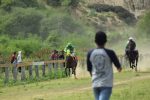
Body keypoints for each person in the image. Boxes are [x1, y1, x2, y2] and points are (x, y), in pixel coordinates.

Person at [86, 31, 122, 100]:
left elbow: (90, 70)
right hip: (106, 84)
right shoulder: (110, 53)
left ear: (95, 41)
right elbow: (119, 68)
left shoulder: (90, 53)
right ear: (106, 41)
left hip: (95, 84)